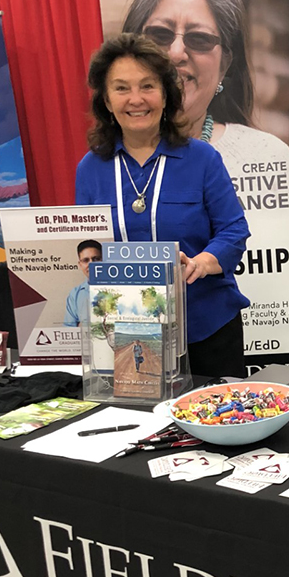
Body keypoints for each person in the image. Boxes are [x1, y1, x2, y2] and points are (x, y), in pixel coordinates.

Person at [120, 0, 289, 338]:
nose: (176, 53)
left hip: (238, 346)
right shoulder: (104, 163)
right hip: (138, 349)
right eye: (159, 35)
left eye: (198, 39)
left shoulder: (268, 155)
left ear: (226, 63)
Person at [75, 32, 250, 377]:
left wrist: (202, 262)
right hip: (128, 331)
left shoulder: (202, 158)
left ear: (166, 95)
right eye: (121, 88)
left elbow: (233, 229)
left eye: (147, 86)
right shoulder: (90, 169)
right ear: (107, 101)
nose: (136, 99)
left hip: (205, 324)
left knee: (214, 422)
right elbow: (86, 245)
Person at [64, 239, 103, 327]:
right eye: (86, 260)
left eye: (96, 259)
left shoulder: (120, 288)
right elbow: (69, 330)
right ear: (80, 264)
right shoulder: (75, 295)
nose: (91, 264)